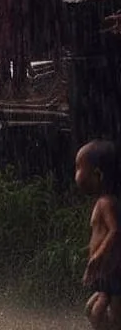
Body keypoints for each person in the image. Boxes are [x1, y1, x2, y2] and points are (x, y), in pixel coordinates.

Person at [76, 140, 121, 329]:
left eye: (78, 167)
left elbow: (115, 230)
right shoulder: (102, 201)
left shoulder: (106, 202)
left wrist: (96, 257)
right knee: (93, 312)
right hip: (107, 274)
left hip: (113, 272)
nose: (76, 173)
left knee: (110, 316)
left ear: (97, 174)